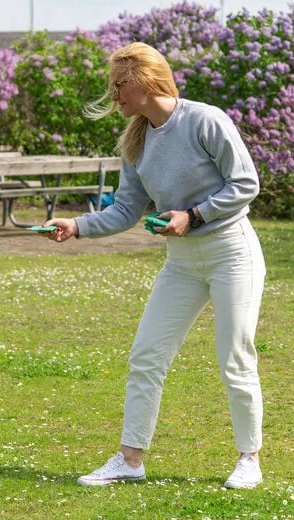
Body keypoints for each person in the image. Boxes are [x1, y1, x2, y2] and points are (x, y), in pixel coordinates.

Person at [44, 42, 265, 489]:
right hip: (181, 262)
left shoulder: (205, 119)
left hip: (230, 251)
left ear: (144, 80)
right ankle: (130, 459)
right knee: (146, 356)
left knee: (234, 357)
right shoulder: (135, 140)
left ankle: (249, 458)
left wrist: (194, 215)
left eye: (118, 86)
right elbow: (125, 209)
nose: (114, 97)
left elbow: (246, 183)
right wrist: (77, 225)